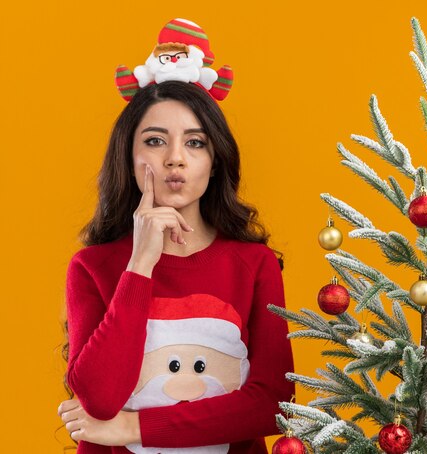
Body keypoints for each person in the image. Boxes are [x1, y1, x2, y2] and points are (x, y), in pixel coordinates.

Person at [57, 18, 295, 454]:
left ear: (216, 160)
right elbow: (99, 399)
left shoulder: (253, 265)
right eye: (154, 140)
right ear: (128, 157)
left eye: (195, 143)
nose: (175, 160)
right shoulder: (93, 268)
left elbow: (271, 405)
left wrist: (134, 429)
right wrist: (140, 265)